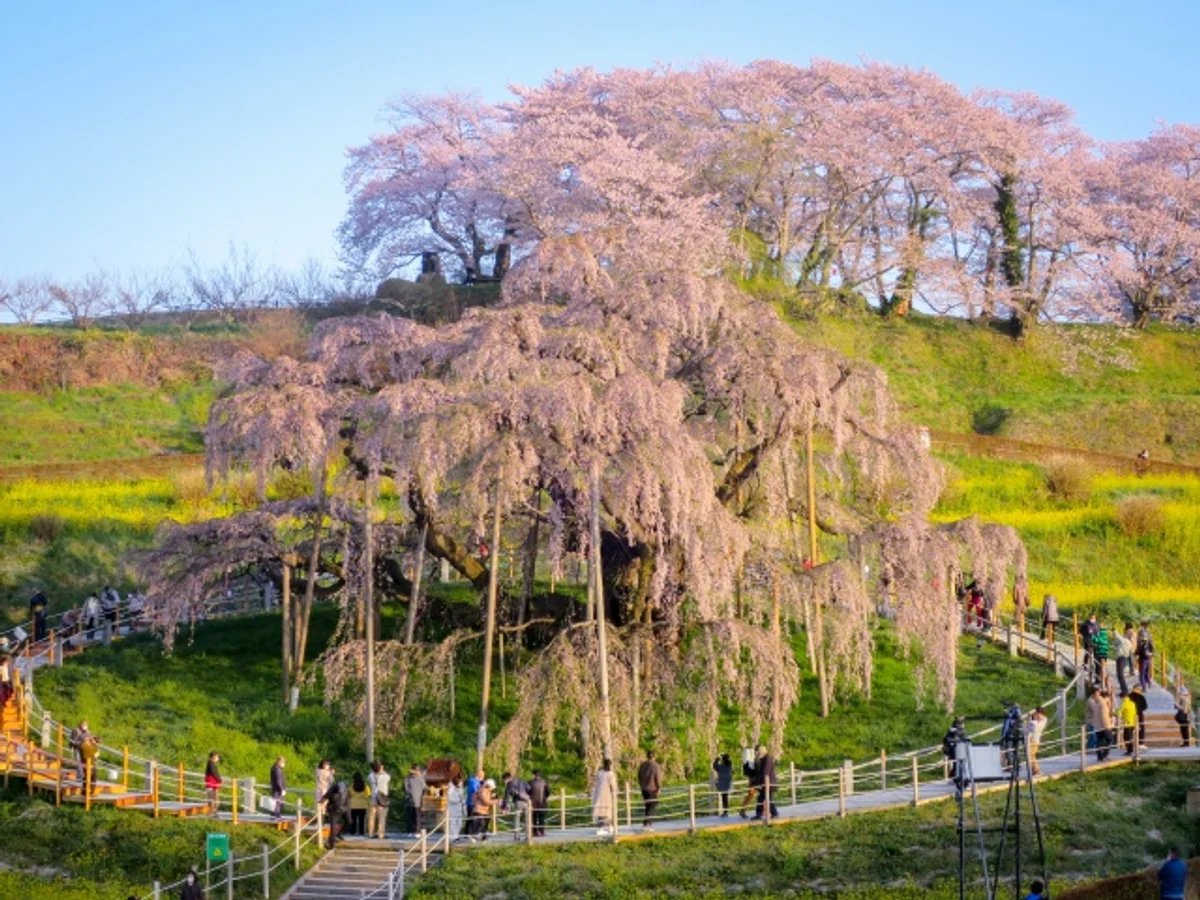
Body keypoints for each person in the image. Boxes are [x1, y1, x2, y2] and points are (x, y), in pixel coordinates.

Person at [637, 749, 663, 831]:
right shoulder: (655, 766)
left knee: (647, 806)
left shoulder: (643, 765)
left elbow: (639, 776)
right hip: (652, 789)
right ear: (654, 756)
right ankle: (647, 824)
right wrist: (659, 787)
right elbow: (657, 777)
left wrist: (641, 785)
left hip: (644, 789)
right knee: (652, 806)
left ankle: (646, 823)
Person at [591, 758, 618, 837]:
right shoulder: (610, 774)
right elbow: (613, 786)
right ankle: (600, 828)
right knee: (605, 812)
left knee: (603, 812)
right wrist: (615, 793)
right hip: (606, 796)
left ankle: (609, 826)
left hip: (599, 795)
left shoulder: (600, 773)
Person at [502, 771, 531, 839]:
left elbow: (506, 797)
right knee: (527, 819)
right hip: (526, 802)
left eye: (504, 779)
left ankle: (517, 836)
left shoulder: (509, 784)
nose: (504, 781)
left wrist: (504, 807)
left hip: (517, 802)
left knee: (517, 819)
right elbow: (529, 788)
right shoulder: (521, 781)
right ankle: (528, 836)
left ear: (507, 778)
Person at [754, 745, 779, 821]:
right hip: (764, 783)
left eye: (759, 753)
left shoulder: (768, 758)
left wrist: (762, 783)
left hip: (769, 783)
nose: (758, 754)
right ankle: (759, 814)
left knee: (768, 799)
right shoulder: (763, 759)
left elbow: (766, 771)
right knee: (761, 799)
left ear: (762, 752)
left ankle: (774, 813)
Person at [1086, 688, 1112, 762]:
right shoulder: (1102, 703)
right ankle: (1104, 754)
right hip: (1103, 725)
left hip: (1097, 725)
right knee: (1110, 739)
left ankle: (1100, 756)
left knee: (1099, 740)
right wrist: (1107, 726)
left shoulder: (1097, 702)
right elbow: (1104, 716)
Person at [321, 780, 350, 848]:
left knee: (349, 822)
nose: (340, 792)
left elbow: (348, 802)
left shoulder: (346, 791)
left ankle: (338, 833)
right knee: (333, 827)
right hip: (333, 810)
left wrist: (347, 812)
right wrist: (320, 804)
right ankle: (331, 843)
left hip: (343, 809)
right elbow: (324, 797)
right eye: (339, 791)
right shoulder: (331, 790)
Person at [403, 763, 426, 836]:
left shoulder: (408, 778)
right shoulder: (419, 778)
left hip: (411, 800)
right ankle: (416, 832)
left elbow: (406, 789)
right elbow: (424, 788)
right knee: (416, 817)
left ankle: (411, 832)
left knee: (411, 817)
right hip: (416, 801)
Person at [1114, 623, 1135, 696]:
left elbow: (1118, 636)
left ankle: (1125, 691)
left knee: (1120, 674)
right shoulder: (1125, 641)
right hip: (1120, 658)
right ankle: (1123, 690)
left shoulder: (1126, 641)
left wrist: (1115, 630)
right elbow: (1116, 643)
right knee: (1119, 675)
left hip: (1122, 658)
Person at [738, 748, 760, 818]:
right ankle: (742, 810)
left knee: (752, 795)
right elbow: (754, 772)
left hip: (754, 779)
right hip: (754, 780)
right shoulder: (754, 760)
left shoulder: (753, 761)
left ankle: (743, 810)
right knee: (751, 795)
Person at [1026, 707, 1048, 775]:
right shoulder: (1038, 720)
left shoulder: (1043, 720)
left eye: (1037, 714)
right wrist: (1031, 718)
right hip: (1030, 739)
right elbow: (1029, 727)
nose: (1036, 715)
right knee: (1031, 755)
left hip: (1035, 740)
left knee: (1031, 755)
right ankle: (1034, 770)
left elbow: (1034, 728)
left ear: (1041, 713)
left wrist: (1033, 718)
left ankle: (1037, 770)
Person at [528, 770, 549, 838]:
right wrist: (545, 797)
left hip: (533, 803)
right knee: (541, 818)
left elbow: (528, 792)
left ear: (534, 775)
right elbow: (548, 792)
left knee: (534, 818)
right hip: (542, 802)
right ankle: (542, 831)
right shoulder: (544, 782)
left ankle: (535, 832)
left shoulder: (530, 782)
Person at [447, 773, 467, 840]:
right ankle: (453, 837)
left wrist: (463, 803)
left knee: (459, 823)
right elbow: (450, 799)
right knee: (453, 824)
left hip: (459, 809)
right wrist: (459, 800)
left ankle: (457, 835)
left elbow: (462, 797)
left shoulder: (460, 788)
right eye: (460, 782)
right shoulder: (451, 788)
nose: (461, 783)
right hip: (452, 809)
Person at [1137, 621, 1155, 690]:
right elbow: (1151, 644)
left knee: (1142, 672)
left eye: (1140, 625)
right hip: (1148, 656)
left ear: (1142, 625)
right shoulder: (1149, 634)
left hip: (1142, 656)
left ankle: (1144, 686)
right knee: (1146, 671)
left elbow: (1139, 645)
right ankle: (1149, 683)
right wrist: (1151, 653)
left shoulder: (1141, 633)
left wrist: (1136, 653)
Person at [1093, 620, 1111, 685]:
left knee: (1098, 667)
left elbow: (1096, 640)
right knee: (1103, 667)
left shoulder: (1100, 636)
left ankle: (1098, 680)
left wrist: (1092, 636)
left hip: (1099, 653)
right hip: (1105, 654)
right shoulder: (1106, 637)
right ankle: (1104, 680)